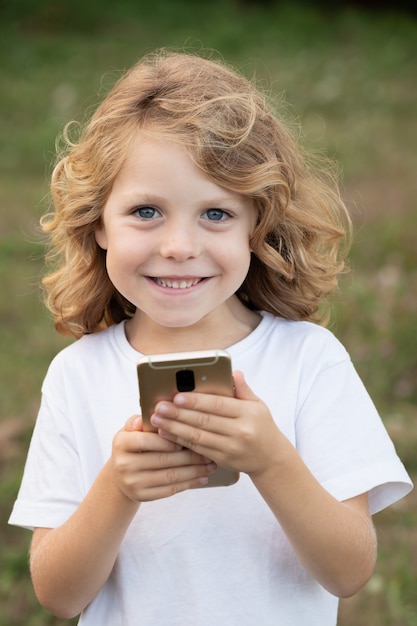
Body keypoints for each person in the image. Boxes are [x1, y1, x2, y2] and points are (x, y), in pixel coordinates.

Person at [9, 49, 412, 626]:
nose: (178, 246)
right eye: (146, 211)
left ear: (258, 225)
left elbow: (349, 572)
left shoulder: (307, 360)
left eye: (216, 214)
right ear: (98, 222)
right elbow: (58, 594)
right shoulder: (78, 375)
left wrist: (273, 462)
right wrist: (117, 490)